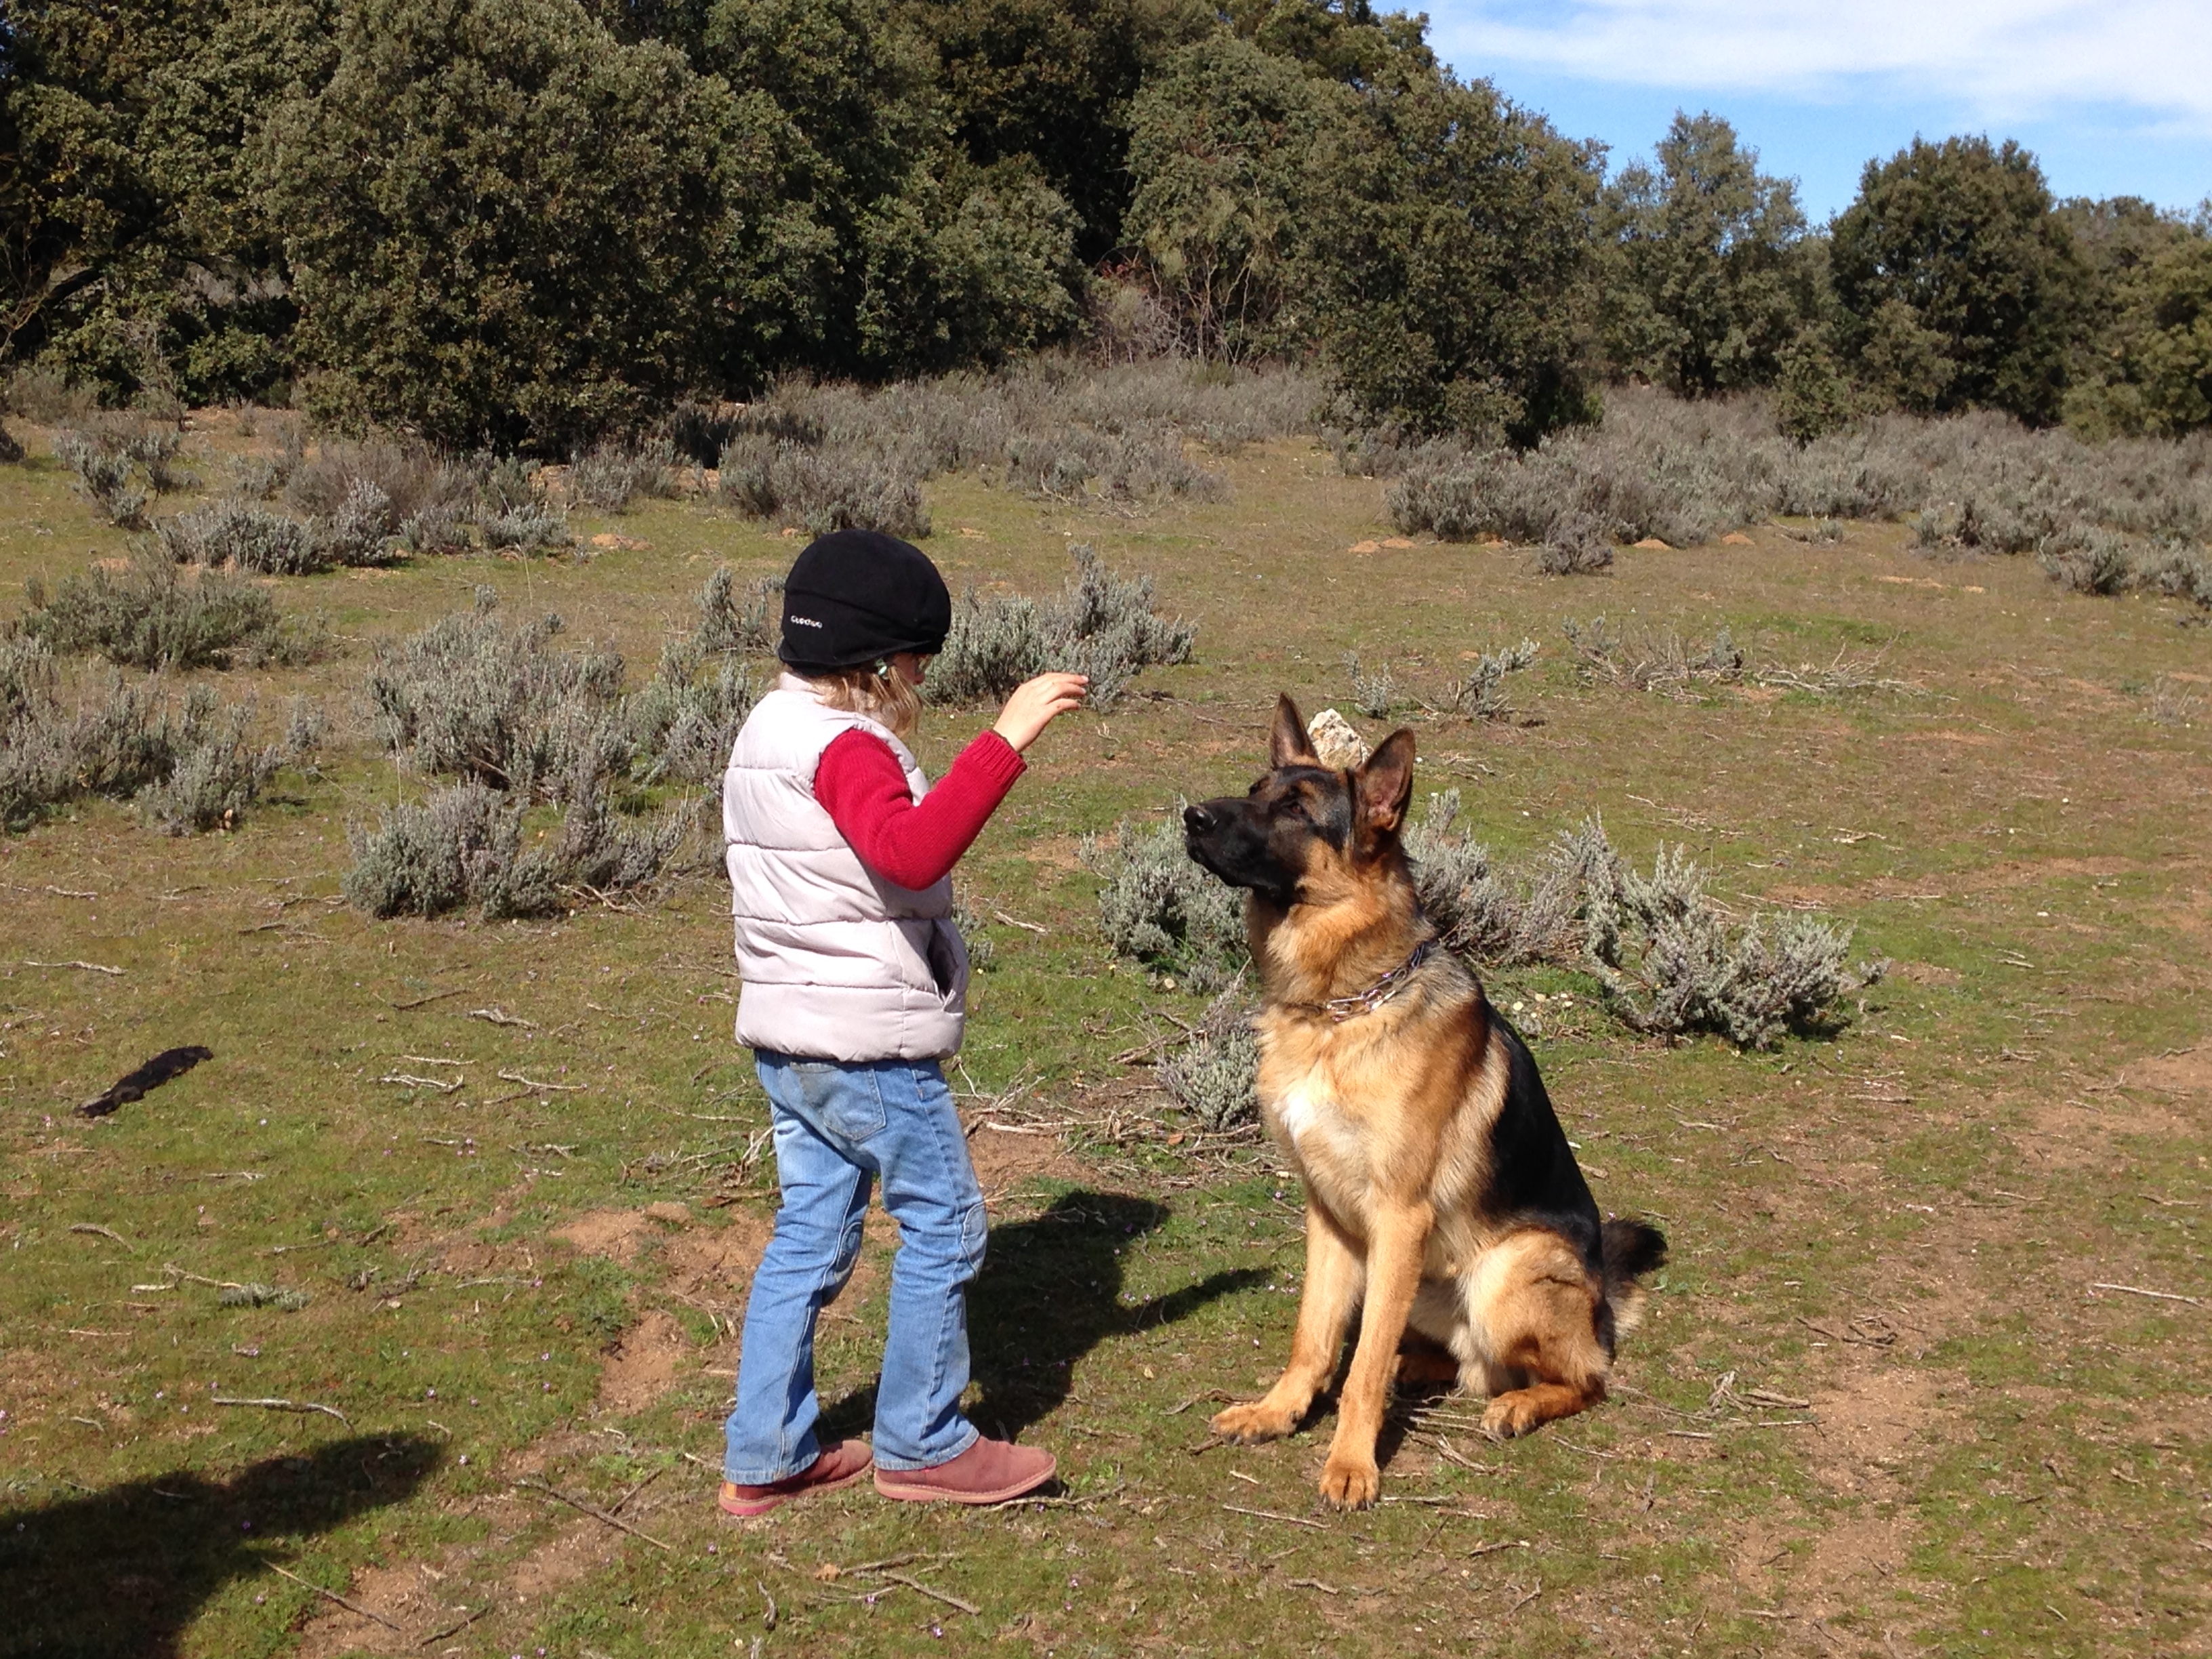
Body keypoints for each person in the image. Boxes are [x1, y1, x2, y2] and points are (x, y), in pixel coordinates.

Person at [716, 529, 1088, 1517]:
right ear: (877, 662)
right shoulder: (844, 748)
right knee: (948, 1222)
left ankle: (768, 1451)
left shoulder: (766, 729)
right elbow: (913, 851)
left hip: (790, 1038)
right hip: (863, 1044)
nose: (921, 676)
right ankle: (922, 1441)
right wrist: (1006, 739)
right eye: (918, 658)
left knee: (810, 1231)